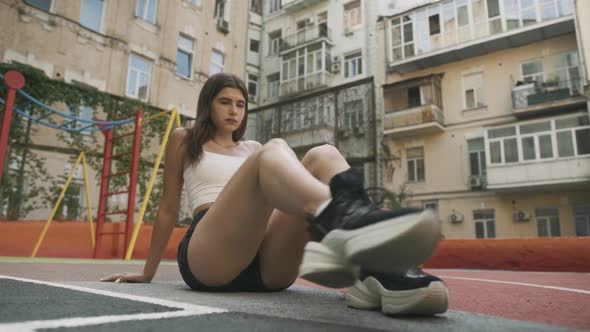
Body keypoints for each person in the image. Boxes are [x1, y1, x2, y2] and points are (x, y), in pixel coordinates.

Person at [101, 73, 448, 316]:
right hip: (211, 256)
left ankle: (381, 270)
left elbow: (289, 191)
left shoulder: (251, 147)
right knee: (272, 150)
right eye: (225, 102)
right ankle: (345, 220)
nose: (234, 111)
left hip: (269, 266)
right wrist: (147, 272)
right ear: (208, 104)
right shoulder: (185, 138)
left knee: (322, 153)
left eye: (240, 104)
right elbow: (167, 208)